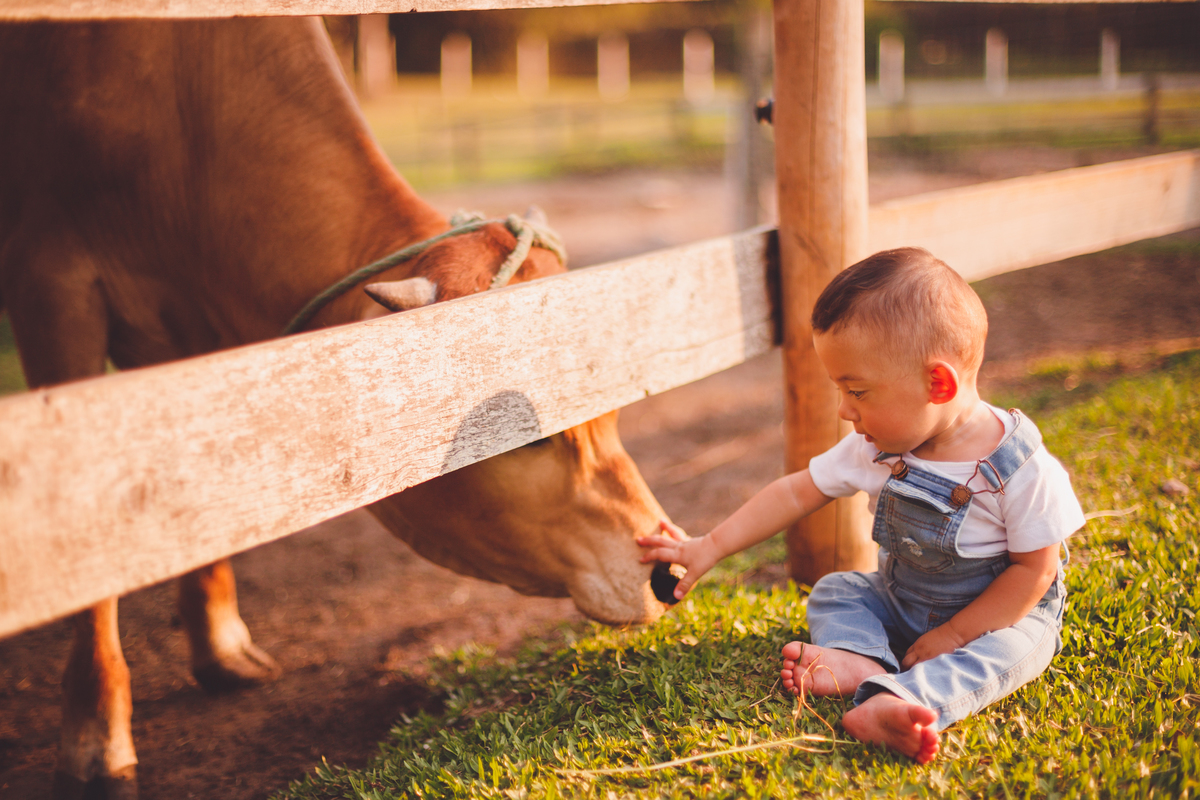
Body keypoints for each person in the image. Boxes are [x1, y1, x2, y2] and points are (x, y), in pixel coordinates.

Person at [637, 247, 1084, 763]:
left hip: (995, 618)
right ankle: (860, 659)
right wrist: (710, 546)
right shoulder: (878, 447)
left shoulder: (1019, 469)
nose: (844, 411)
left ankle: (903, 700)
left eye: (858, 391)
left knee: (1011, 651)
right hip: (899, 601)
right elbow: (795, 491)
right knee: (838, 589)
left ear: (937, 384)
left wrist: (954, 634)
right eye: (840, 391)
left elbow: (1034, 572)